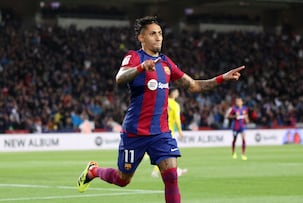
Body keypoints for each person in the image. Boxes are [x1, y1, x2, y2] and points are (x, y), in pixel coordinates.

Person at [77, 16, 245, 203]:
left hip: (160, 133)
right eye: (153, 34)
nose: (158, 38)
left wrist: (221, 78)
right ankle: (93, 171)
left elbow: (194, 86)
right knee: (122, 180)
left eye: (160, 34)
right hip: (135, 132)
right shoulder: (134, 56)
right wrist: (141, 68)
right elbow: (120, 77)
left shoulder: (166, 63)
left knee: (172, 177)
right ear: (142, 38)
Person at [151, 87, 188, 178]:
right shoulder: (175, 105)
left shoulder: (162, 101)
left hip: (159, 129)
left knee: (163, 152)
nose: (177, 93)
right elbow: (177, 120)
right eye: (176, 91)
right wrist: (180, 131)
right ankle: (172, 170)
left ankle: (173, 170)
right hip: (169, 131)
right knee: (171, 152)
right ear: (173, 93)